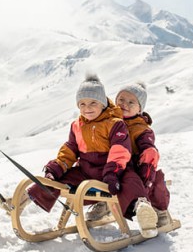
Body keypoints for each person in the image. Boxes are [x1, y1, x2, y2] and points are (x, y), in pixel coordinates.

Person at [27, 74, 160, 236]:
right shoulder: (85, 124)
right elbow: (70, 149)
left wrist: (120, 173)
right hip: (88, 170)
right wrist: (56, 168)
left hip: (119, 168)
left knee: (130, 182)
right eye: (82, 104)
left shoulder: (119, 124)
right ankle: (20, 202)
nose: (125, 104)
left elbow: (122, 151)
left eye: (131, 102)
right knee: (55, 179)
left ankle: (142, 210)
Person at [106, 81, 172, 232]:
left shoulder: (141, 129)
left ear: (140, 109)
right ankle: (104, 205)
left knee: (155, 182)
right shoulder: (108, 121)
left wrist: (148, 150)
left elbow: (147, 144)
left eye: (131, 102)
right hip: (112, 165)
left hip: (134, 167)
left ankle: (159, 211)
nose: (124, 104)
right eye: (121, 99)